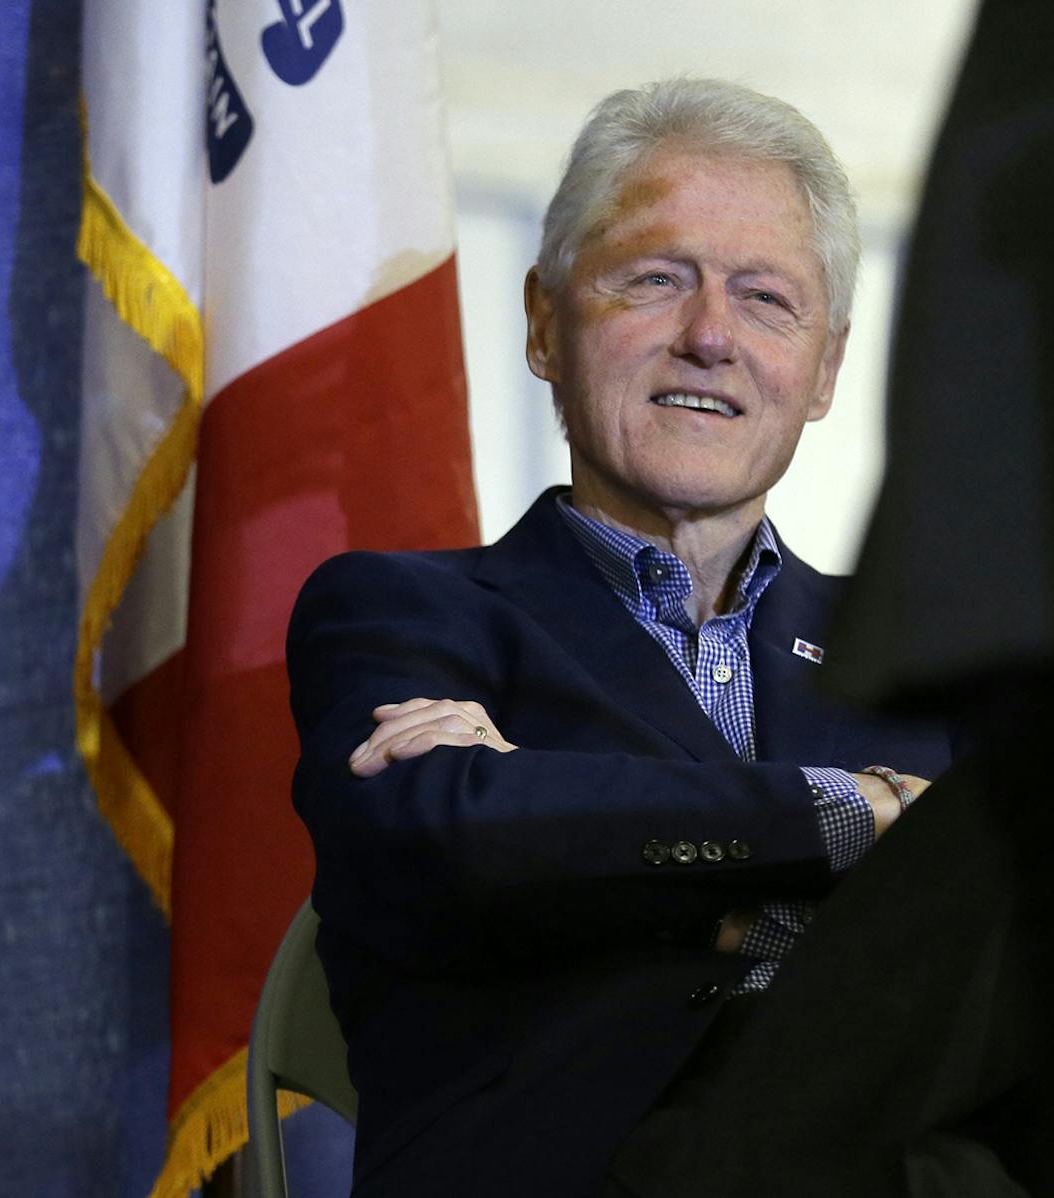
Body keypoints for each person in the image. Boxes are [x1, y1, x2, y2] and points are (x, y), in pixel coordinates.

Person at [285, 78, 957, 1197]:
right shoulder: (398, 611)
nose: (708, 336)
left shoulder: (927, 656)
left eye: (766, 299)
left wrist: (565, 825)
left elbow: (1004, 930)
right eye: (655, 280)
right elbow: (441, 838)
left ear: (826, 367)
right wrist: (866, 812)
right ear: (545, 323)